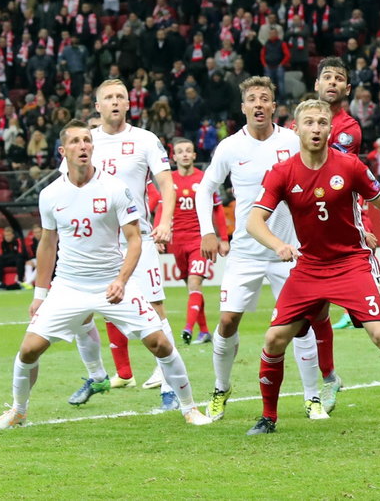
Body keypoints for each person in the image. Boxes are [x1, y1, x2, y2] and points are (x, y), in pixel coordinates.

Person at [0, 120, 211, 429]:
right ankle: (18, 411)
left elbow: (135, 239)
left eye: (88, 140)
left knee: (160, 342)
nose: (84, 146)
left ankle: (189, 408)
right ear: (63, 151)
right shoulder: (50, 194)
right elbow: (48, 244)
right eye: (76, 141)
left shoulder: (115, 188)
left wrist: (120, 279)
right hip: (68, 286)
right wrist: (40, 294)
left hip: (112, 283)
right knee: (28, 350)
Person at [244, 99, 380, 436]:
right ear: (296, 128)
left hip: (351, 263)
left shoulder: (350, 165)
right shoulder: (282, 172)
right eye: (309, 122)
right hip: (309, 266)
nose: (316, 128)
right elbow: (254, 221)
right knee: (274, 338)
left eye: (322, 122)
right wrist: (278, 244)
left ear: (330, 129)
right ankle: (268, 417)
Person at [196, 77, 327, 421]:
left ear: (273, 106)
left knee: (300, 325)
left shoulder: (291, 140)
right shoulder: (229, 148)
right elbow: (205, 187)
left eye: (264, 99)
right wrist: (208, 231)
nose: (258, 104)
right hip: (245, 252)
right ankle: (221, 388)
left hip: (290, 253)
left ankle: (313, 398)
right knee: (226, 321)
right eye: (252, 99)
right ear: (243, 107)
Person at [60, 78, 179, 409]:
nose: (115, 102)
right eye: (108, 98)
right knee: (80, 314)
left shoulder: (145, 140)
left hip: (135, 240)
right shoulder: (84, 141)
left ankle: (170, 385)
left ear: (129, 104)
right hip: (94, 245)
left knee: (154, 309)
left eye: (120, 97)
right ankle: (97, 375)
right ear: (97, 107)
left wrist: (165, 221)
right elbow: (66, 187)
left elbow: (167, 186)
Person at [315, 56, 380, 403]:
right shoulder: (303, 122)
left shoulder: (347, 129)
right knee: (316, 309)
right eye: (326, 77)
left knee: (376, 306)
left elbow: (332, 173)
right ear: (316, 85)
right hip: (312, 226)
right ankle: (329, 378)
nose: (331, 82)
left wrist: (362, 228)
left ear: (346, 88)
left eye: (338, 78)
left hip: (349, 222)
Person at [147, 137, 225, 345]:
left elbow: (218, 209)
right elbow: (161, 209)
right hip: (176, 242)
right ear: (174, 157)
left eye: (188, 150)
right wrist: (158, 235)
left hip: (199, 241)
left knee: (194, 284)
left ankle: (188, 328)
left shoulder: (204, 179)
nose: (184, 154)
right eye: (180, 151)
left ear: (194, 155)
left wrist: (222, 238)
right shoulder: (168, 181)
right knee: (192, 289)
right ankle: (205, 331)